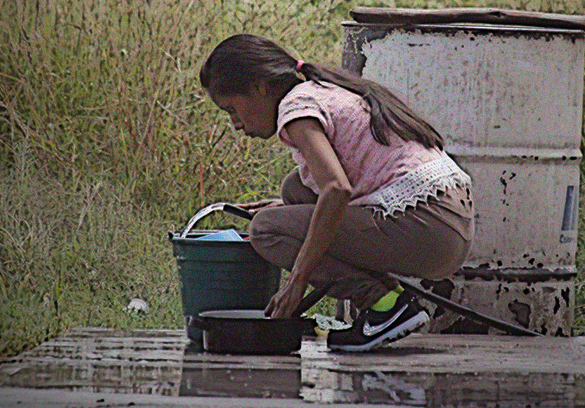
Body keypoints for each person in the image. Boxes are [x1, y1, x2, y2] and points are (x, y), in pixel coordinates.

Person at [199, 33, 475, 352]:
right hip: (446, 223)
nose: (235, 123)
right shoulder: (319, 90)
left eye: (232, 109)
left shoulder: (296, 110)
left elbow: (337, 188)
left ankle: (385, 305)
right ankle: (389, 303)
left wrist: (297, 281)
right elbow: (340, 183)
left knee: (267, 231)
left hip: (427, 228)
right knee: (295, 188)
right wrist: (285, 209)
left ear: (259, 87)